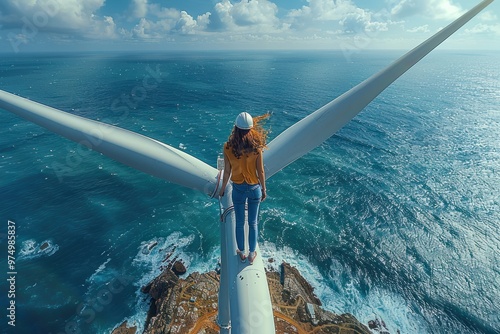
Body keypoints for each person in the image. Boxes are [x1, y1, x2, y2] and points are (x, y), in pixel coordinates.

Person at [219, 112, 269, 265]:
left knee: (239, 222)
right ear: (251, 129)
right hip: (254, 189)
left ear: (236, 128)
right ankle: (252, 253)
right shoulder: (256, 147)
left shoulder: (228, 147)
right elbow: (260, 171)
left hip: (238, 190)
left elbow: (227, 171)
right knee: (253, 223)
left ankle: (241, 252)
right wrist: (264, 189)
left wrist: (222, 190)